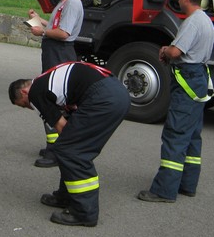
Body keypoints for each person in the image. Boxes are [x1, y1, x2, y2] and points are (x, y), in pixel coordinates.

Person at [8, 61, 130, 227]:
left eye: (23, 105)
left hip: (103, 97)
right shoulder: (48, 81)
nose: (28, 107)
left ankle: (85, 212)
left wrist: (68, 146)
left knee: (72, 151)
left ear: (23, 92)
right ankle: (66, 196)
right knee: (68, 148)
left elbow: (62, 127)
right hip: (116, 92)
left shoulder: (35, 92)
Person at [137, 0, 214, 203]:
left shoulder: (192, 22)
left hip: (187, 80)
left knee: (175, 134)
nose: (178, 0)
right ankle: (187, 185)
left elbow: (176, 51)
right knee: (192, 135)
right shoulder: (206, 20)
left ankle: (164, 190)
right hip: (198, 79)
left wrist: (164, 50)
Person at [27, 0, 83, 167]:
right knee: (52, 97)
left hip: (60, 52)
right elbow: (55, 26)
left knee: (52, 99)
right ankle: (54, 146)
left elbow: (63, 33)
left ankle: (57, 151)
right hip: (54, 52)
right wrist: (39, 20)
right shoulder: (65, 3)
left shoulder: (73, 4)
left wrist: (42, 31)